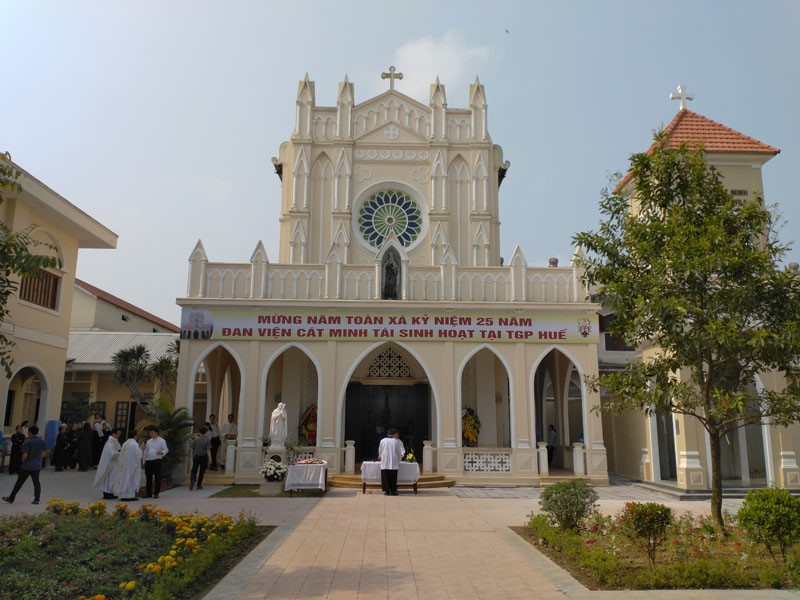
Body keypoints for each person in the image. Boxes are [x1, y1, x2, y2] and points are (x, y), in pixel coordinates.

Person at [3, 425, 46, 504]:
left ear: (29, 433)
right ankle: (37, 499)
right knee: (36, 482)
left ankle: (11, 498)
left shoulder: (28, 442)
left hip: (26, 466)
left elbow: (24, 455)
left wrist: (22, 462)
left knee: (19, 482)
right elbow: (43, 453)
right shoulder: (41, 441)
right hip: (36, 466)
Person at [93, 427, 122, 499]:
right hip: (109, 465)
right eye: (118, 434)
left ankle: (111, 492)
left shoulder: (115, 441)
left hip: (113, 464)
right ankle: (106, 493)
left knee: (112, 478)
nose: (119, 436)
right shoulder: (109, 443)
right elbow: (112, 454)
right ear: (114, 433)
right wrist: (121, 453)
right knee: (108, 478)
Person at [116, 430, 143, 501]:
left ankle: (123, 495)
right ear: (135, 436)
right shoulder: (135, 444)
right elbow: (138, 455)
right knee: (131, 479)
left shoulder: (125, 443)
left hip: (124, 466)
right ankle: (129, 496)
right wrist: (142, 449)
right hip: (131, 465)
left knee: (124, 478)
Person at [378, 427, 405, 496]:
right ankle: (393, 491)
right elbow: (400, 452)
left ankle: (386, 491)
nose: (397, 435)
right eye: (396, 434)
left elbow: (380, 451)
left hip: (385, 462)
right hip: (394, 462)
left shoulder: (382, 441)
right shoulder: (396, 441)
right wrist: (399, 459)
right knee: (393, 477)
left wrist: (380, 456)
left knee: (385, 477)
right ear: (394, 434)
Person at [143, 426, 168, 499]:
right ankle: (148, 492)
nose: (150, 434)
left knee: (157, 477)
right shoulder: (149, 441)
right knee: (148, 477)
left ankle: (156, 493)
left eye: (152, 432)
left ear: (156, 433)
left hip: (157, 461)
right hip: (149, 461)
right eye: (150, 432)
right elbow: (145, 451)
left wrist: (162, 452)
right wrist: (144, 461)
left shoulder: (161, 441)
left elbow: (166, 449)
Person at [189, 426, 212, 491]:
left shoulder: (196, 439)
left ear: (200, 432)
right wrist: (210, 459)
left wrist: (193, 455)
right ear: (206, 432)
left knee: (194, 470)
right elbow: (208, 450)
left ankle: (193, 479)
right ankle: (199, 485)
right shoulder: (207, 440)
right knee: (202, 471)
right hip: (203, 457)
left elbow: (193, 448)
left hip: (196, 456)